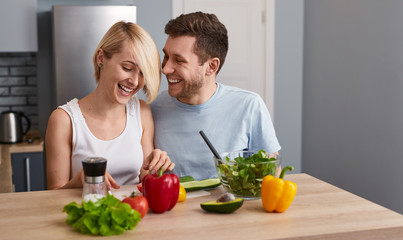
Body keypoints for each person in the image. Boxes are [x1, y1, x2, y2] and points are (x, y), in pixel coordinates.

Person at [150, 12, 281, 181]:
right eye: (166, 56)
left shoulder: (249, 106)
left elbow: (270, 172)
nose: (165, 69)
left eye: (179, 60)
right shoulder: (154, 109)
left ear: (211, 66)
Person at [46, 21, 175, 190]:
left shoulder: (141, 112)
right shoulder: (64, 120)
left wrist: (155, 164)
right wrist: (79, 182)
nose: (135, 82)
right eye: (127, 68)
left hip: (133, 212)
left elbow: (145, 182)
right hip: (87, 213)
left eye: (143, 73)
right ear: (101, 58)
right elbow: (52, 195)